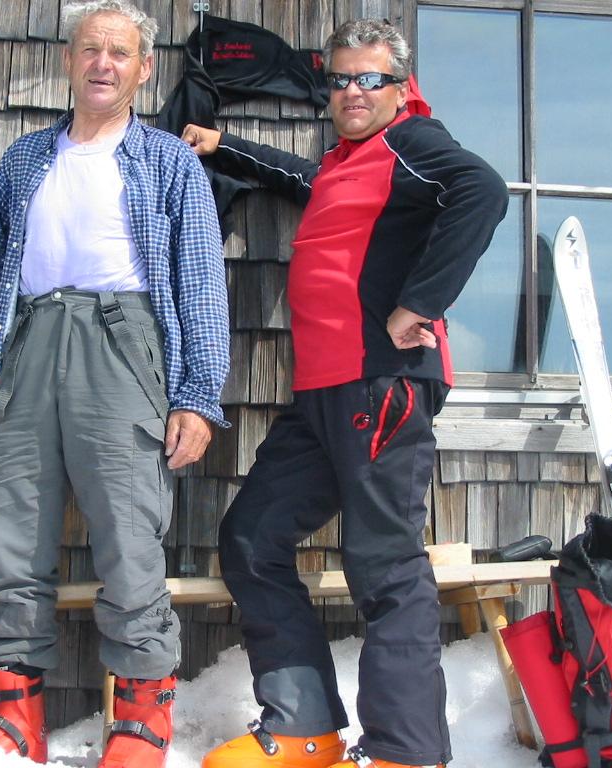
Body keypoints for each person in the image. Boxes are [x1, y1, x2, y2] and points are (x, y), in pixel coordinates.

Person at [181, 18, 508, 768]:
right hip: (322, 395)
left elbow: (483, 191)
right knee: (252, 539)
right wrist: (226, 145)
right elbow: (306, 181)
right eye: (339, 80)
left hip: (382, 386)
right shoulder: (345, 161)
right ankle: (305, 727)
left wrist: (419, 303)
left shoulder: (413, 142)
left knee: (384, 564)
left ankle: (405, 751)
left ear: (401, 87)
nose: (352, 92)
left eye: (370, 79)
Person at [0, 1, 229, 766]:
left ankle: (140, 721)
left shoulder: (168, 162)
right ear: (69, 61)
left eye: (120, 52)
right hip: (33, 342)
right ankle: (13, 716)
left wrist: (197, 397)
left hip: (123, 344)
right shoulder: (26, 158)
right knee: (9, 523)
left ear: (144, 69)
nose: (103, 64)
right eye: (90, 50)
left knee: (129, 530)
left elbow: (202, 284)